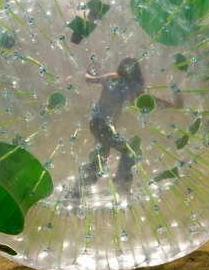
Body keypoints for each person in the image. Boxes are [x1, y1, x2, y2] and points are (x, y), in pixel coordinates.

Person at [76, 57, 183, 190]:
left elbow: (88, 79)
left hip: (95, 123)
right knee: (129, 153)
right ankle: (121, 183)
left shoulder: (112, 78)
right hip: (105, 125)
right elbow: (153, 101)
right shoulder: (129, 85)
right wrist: (173, 105)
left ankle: (77, 191)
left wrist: (89, 71)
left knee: (100, 161)